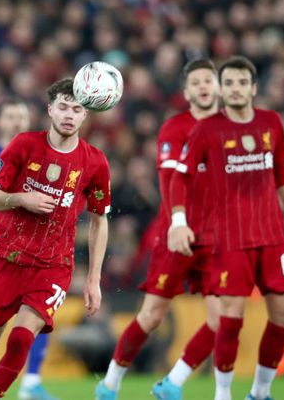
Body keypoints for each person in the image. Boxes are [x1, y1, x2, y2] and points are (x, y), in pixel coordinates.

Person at [168, 56, 284, 400]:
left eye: (242, 82)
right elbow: (180, 177)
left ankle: (260, 392)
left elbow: (281, 175)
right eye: (229, 83)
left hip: (272, 235)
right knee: (231, 318)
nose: (236, 89)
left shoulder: (272, 122)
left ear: (253, 88)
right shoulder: (207, 129)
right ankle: (222, 394)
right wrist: (179, 222)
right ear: (221, 89)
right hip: (230, 239)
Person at [0, 78, 110, 400]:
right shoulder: (23, 145)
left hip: (53, 265)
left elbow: (100, 220)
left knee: (21, 339)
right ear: (50, 110)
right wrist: (22, 199)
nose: (69, 115)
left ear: (85, 115)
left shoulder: (95, 161)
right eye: (63, 107)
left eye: (77, 109)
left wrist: (94, 279)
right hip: (8, 258)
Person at [95, 58, 222, 400]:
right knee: (151, 315)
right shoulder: (176, 127)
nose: (203, 87)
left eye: (208, 80)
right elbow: (168, 179)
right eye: (195, 82)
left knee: (223, 318)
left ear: (218, 86)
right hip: (175, 233)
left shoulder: (231, 129)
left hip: (217, 237)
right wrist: (178, 222)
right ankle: (110, 383)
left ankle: (173, 383)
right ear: (186, 91)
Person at [0, 98, 58, 400]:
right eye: (10, 116)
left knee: (36, 311)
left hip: (31, 247)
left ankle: (31, 381)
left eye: (21, 116)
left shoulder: (42, 156)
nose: (16, 121)